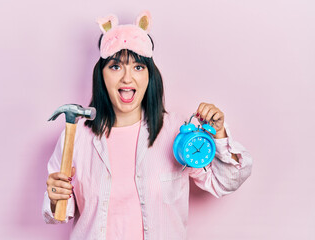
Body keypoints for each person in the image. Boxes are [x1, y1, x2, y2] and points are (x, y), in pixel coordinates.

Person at [42, 11, 253, 240]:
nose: (127, 78)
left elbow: (225, 182)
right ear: (101, 75)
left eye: (138, 67)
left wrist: (220, 136)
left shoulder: (176, 131)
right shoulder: (76, 138)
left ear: (150, 76)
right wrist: (55, 197)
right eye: (115, 66)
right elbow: (58, 214)